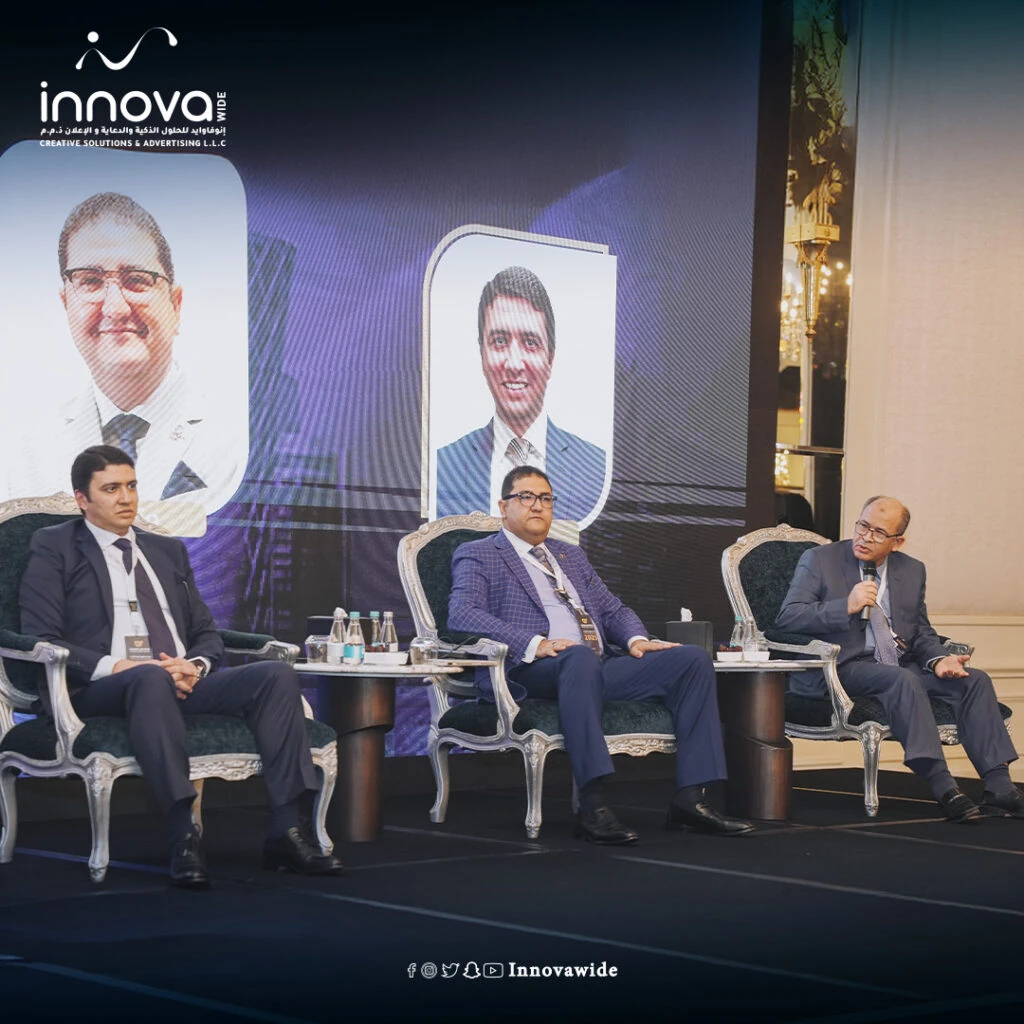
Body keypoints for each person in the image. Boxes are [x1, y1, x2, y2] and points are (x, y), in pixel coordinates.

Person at [19, 445, 343, 887]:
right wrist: (119, 667)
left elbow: (207, 633)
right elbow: (43, 636)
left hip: (175, 679)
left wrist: (195, 665)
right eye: (111, 489)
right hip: (98, 688)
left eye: (131, 486)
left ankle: (287, 832)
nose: (126, 498)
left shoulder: (166, 550)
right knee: (149, 676)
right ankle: (182, 835)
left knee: (275, 675)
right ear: (82, 499)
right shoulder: (55, 546)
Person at [448, 465, 753, 843]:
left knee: (691, 660)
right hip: (531, 668)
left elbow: (612, 610)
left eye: (545, 498)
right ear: (503, 506)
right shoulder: (480, 553)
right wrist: (534, 643)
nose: (537, 506)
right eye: (526, 497)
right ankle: (592, 804)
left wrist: (636, 640)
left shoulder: (569, 555)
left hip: (594, 663)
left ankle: (691, 800)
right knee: (578, 658)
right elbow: (463, 614)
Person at [775, 495, 1023, 822]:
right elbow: (788, 618)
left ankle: (999, 787)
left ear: (897, 542)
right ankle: (944, 787)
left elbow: (920, 631)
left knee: (974, 680)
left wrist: (938, 660)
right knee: (901, 679)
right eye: (863, 525)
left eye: (879, 532)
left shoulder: (912, 570)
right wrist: (845, 606)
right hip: (841, 666)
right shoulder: (820, 560)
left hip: (897, 663)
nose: (866, 537)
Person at [2, 192, 241, 516]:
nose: (115, 308)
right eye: (90, 280)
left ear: (175, 305)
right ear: (66, 304)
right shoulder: (22, 459)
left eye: (136, 280)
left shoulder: (239, 442)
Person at [435, 266, 606, 524]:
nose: (514, 364)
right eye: (500, 341)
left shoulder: (598, 468)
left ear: (550, 359)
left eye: (530, 342)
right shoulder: (442, 466)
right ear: (482, 354)